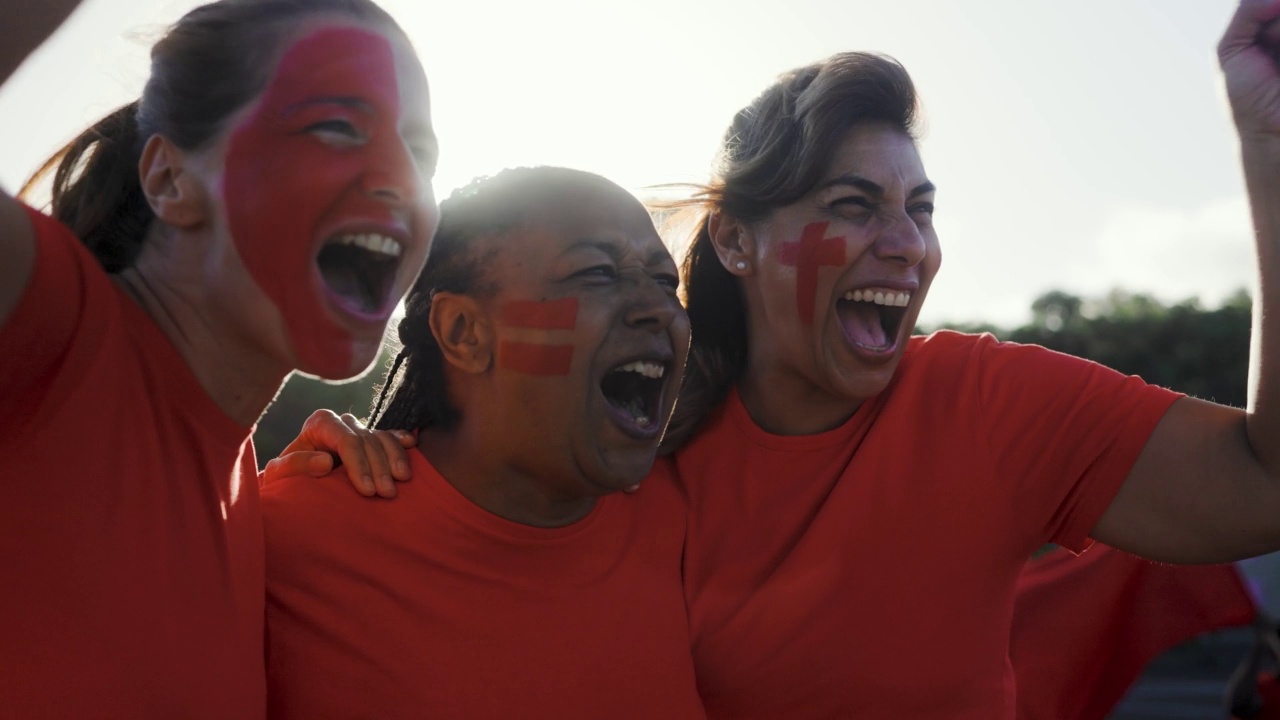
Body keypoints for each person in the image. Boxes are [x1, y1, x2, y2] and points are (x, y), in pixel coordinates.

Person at [288, 2, 1280, 717]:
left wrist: (1268, 145)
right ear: (735, 242)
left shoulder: (985, 403)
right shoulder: (630, 453)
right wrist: (344, 466)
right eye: (852, 206)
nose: (905, 244)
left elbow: (1258, 483)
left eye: (918, 209)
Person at [0, 0, 437, 716]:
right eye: (334, 126)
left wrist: (277, 504)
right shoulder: (50, 328)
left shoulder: (249, 498)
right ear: (171, 180)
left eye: (421, 153)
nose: (399, 180)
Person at [260, 167, 702, 719]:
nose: (659, 309)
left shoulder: (690, 529)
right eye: (596, 272)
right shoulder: (284, 543)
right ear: (464, 333)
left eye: (666, 283)